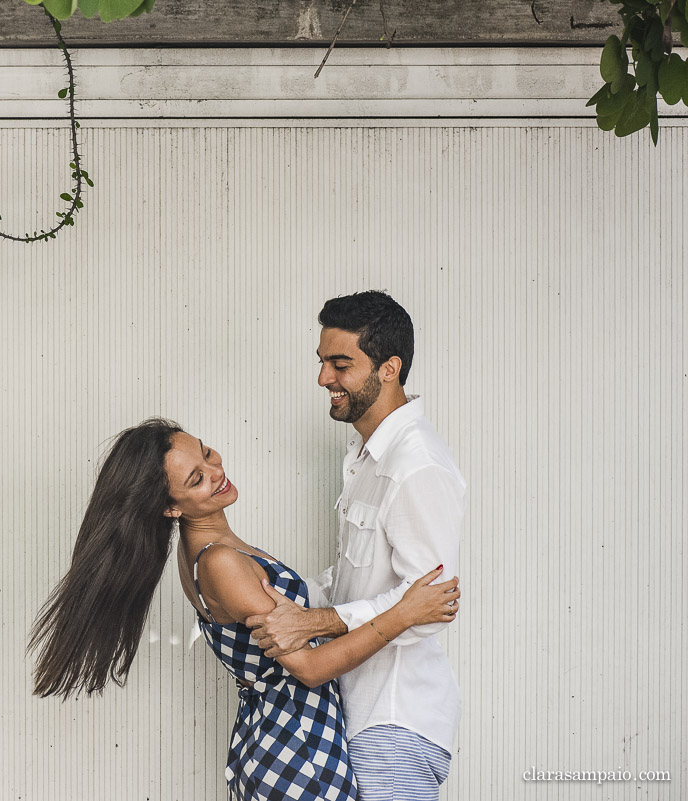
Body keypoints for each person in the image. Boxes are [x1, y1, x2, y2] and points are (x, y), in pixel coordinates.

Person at [29, 418, 460, 801]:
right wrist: (403, 613)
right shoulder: (220, 562)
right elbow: (309, 669)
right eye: (197, 479)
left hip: (278, 741)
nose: (217, 472)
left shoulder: (205, 552)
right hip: (298, 751)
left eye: (207, 452)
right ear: (171, 507)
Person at [246, 291, 466, 801]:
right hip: (355, 714)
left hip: (394, 723)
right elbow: (353, 582)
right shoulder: (364, 456)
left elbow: (431, 606)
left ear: (390, 368)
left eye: (340, 364)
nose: (324, 378)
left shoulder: (417, 466)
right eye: (323, 362)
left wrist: (316, 622)